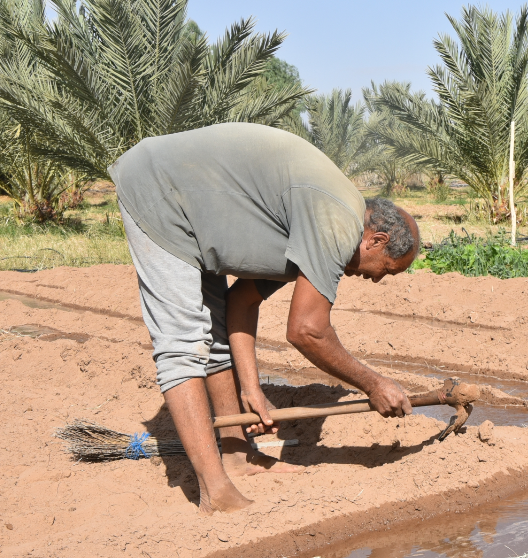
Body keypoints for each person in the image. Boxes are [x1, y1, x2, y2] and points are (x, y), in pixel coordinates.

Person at [108, 122, 420, 514]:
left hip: (195, 209)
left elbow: (241, 301)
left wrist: (251, 389)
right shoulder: (337, 221)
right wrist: (373, 384)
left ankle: (237, 457)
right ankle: (215, 491)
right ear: (377, 240)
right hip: (160, 190)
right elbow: (308, 330)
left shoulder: (320, 222)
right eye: (385, 269)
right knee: (182, 342)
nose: (376, 279)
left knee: (216, 324)